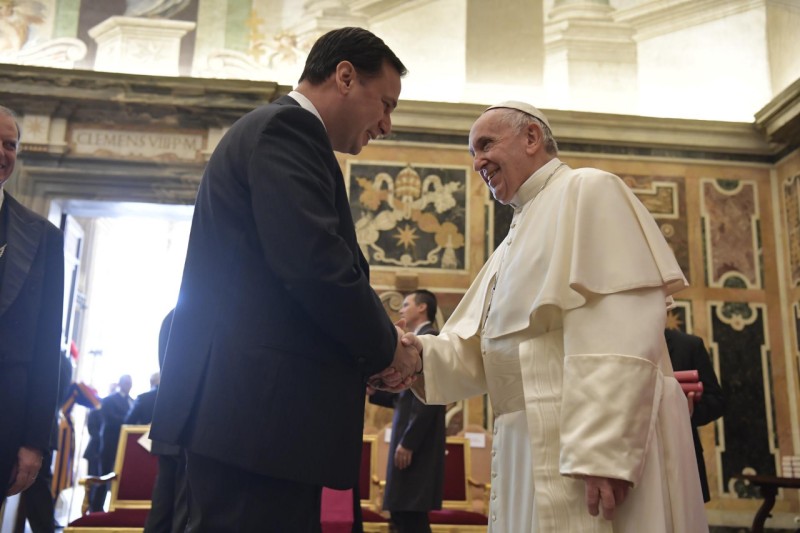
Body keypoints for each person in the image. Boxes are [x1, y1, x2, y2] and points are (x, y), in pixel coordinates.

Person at [149, 27, 419, 531]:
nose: (386, 124)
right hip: (255, 422)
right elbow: (315, 266)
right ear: (344, 77)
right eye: (385, 104)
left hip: (256, 423)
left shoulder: (282, 132)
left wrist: (369, 352)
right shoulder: (287, 130)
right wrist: (387, 348)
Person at [398, 101, 709, 532]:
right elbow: (485, 349)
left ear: (531, 137)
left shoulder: (589, 189)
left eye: (486, 145)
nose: (477, 162)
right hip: (526, 442)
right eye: (472, 153)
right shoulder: (512, 239)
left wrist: (603, 450)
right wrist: (416, 359)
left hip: (584, 448)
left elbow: (619, 325)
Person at [0, 105, 64, 510]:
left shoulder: (43, 237)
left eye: (10, 144)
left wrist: (35, 442)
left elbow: (46, 345)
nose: (2, 153)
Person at [369, 290, 446, 533]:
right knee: (402, 514)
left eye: (406, 304)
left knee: (410, 515)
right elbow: (405, 396)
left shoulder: (430, 338)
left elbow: (429, 399)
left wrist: (408, 442)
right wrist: (375, 390)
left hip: (416, 445)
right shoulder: (419, 339)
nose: (401, 309)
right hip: (409, 439)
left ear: (422, 307)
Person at [665, 327, 725, 502]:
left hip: (682, 456)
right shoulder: (620, 345)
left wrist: (691, 411)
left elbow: (716, 400)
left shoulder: (688, 345)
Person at [145, 308, 188, 533]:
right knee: (183, 510)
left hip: (168, 425)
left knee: (161, 509)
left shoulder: (171, 318)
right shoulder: (207, 317)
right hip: (190, 429)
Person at [90, 374, 133, 512]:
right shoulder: (109, 400)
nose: (128, 385)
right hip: (109, 444)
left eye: (130, 383)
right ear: (120, 383)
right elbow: (110, 419)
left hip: (126, 446)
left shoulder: (132, 401)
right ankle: (96, 507)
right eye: (126, 382)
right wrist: (128, 420)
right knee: (104, 475)